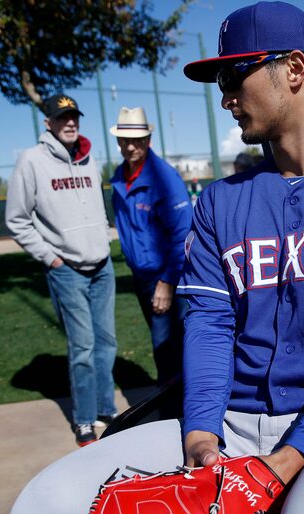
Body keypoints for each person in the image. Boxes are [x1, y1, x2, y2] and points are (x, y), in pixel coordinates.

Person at [10, 3, 304, 514]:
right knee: (41, 510)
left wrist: (285, 462)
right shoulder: (221, 200)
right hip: (233, 422)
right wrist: (200, 436)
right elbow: (209, 326)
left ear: (294, 69)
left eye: (232, 76)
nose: (224, 97)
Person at [6, 94, 117, 446]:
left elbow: (97, 207)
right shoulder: (32, 161)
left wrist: (103, 240)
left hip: (101, 264)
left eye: (74, 117)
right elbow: (17, 220)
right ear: (48, 123)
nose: (70, 122)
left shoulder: (88, 157)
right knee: (82, 347)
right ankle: (85, 419)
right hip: (66, 268)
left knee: (107, 343)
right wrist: (50, 257)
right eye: (62, 117)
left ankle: (106, 409)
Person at [109, 107, 193, 387]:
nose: (131, 146)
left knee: (168, 350)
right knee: (166, 349)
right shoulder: (119, 178)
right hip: (141, 278)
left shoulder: (164, 179)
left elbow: (183, 235)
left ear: (148, 140)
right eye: (125, 140)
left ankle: (176, 416)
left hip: (166, 278)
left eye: (138, 140)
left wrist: (167, 282)